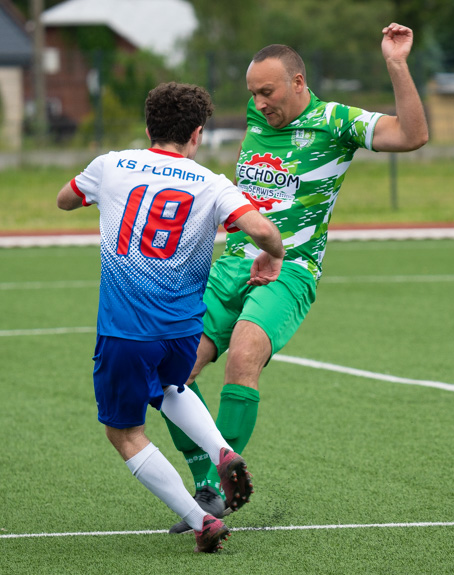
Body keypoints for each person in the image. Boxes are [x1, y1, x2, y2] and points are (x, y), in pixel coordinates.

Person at [162, 23, 429, 533]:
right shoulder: (255, 116)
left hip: (291, 270)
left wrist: (396, 64)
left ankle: (218, 485)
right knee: (174, 370)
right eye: (253, 94)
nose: (259, 103)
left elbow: (412, 135)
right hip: (229, 266)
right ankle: (205, 482)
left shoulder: (336, 122)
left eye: (269, 91)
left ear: (299, 82)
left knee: (243, 355)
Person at [56, 82, 286, 552]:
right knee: (171, 387)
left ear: (148, 127)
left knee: (123, 431)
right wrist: (273, 256)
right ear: (197, 134)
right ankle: (221, 449)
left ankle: (201, 520)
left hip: (126, 330)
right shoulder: (210, 182)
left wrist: (97, 196)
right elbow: (261, 229)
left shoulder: (111, 165)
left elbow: (64, 198)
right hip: (182, 330)